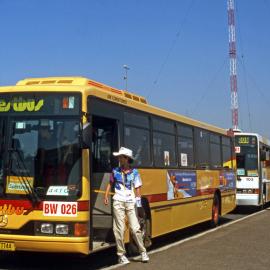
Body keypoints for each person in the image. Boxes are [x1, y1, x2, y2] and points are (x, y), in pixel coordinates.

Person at [104, 146, 149, 265]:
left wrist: (139, 205)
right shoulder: (115, 171)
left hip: (130, 202)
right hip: (118, 201)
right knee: (119, 229)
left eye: (121, 157)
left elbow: (138, 188)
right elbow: (110, 183)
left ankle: (143, 252)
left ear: (126, 158)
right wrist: (106, 196)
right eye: (118, 157)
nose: (119, 158)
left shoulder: (134, 173)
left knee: (135, 228)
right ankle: (121, 255)